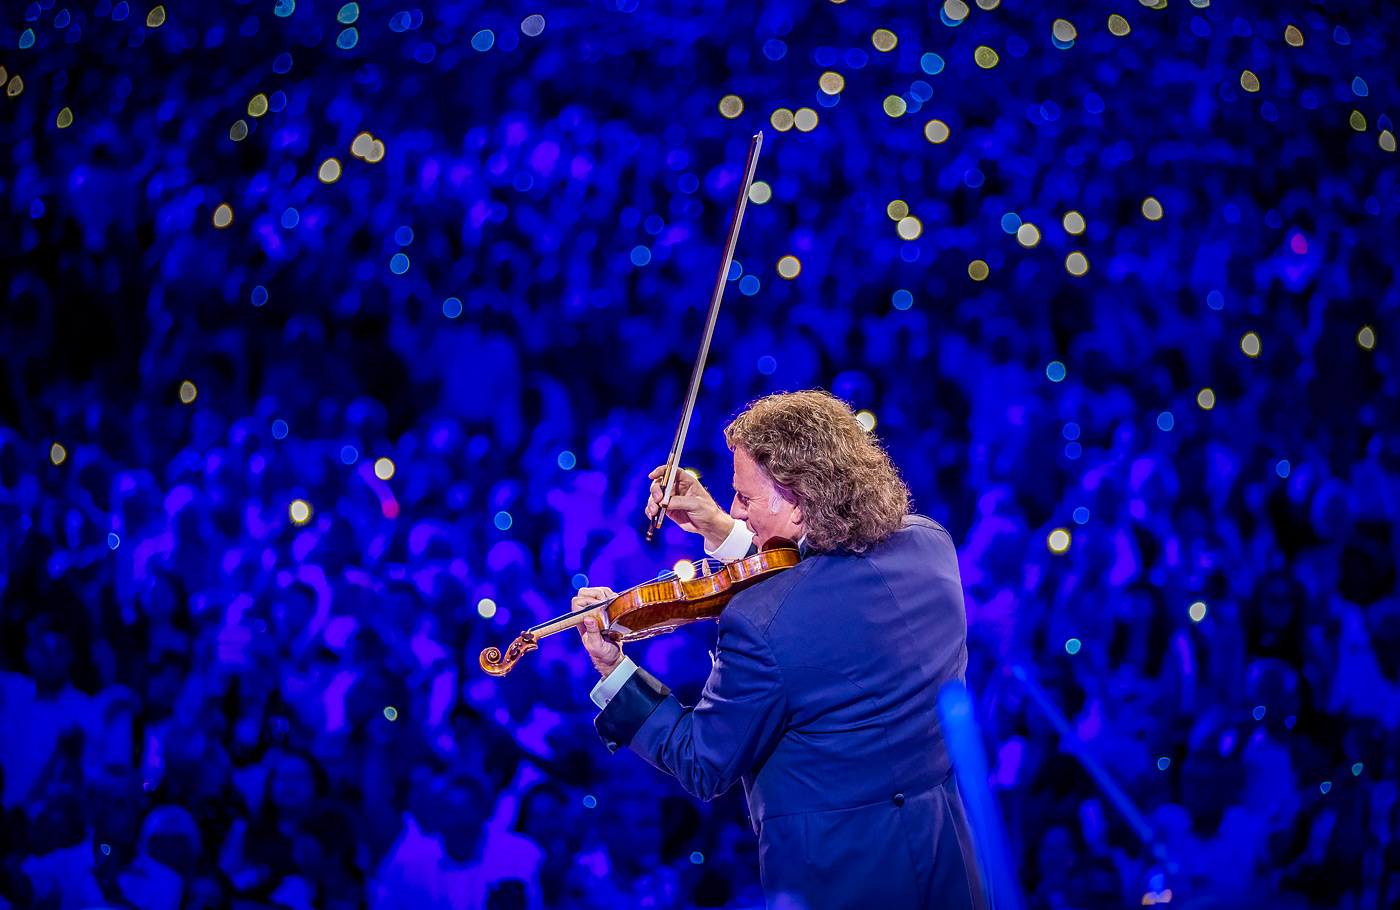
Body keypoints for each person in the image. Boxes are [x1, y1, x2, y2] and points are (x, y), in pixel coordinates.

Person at [571, 390, 988, 910]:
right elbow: (824, 595)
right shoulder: (930, 546)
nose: (736, 511)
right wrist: (720, 530)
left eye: (744, 498)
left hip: (839, 884)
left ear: (797, 501)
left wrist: (614, 669)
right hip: (947, 865)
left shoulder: (760, 625)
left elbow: (703, 762)